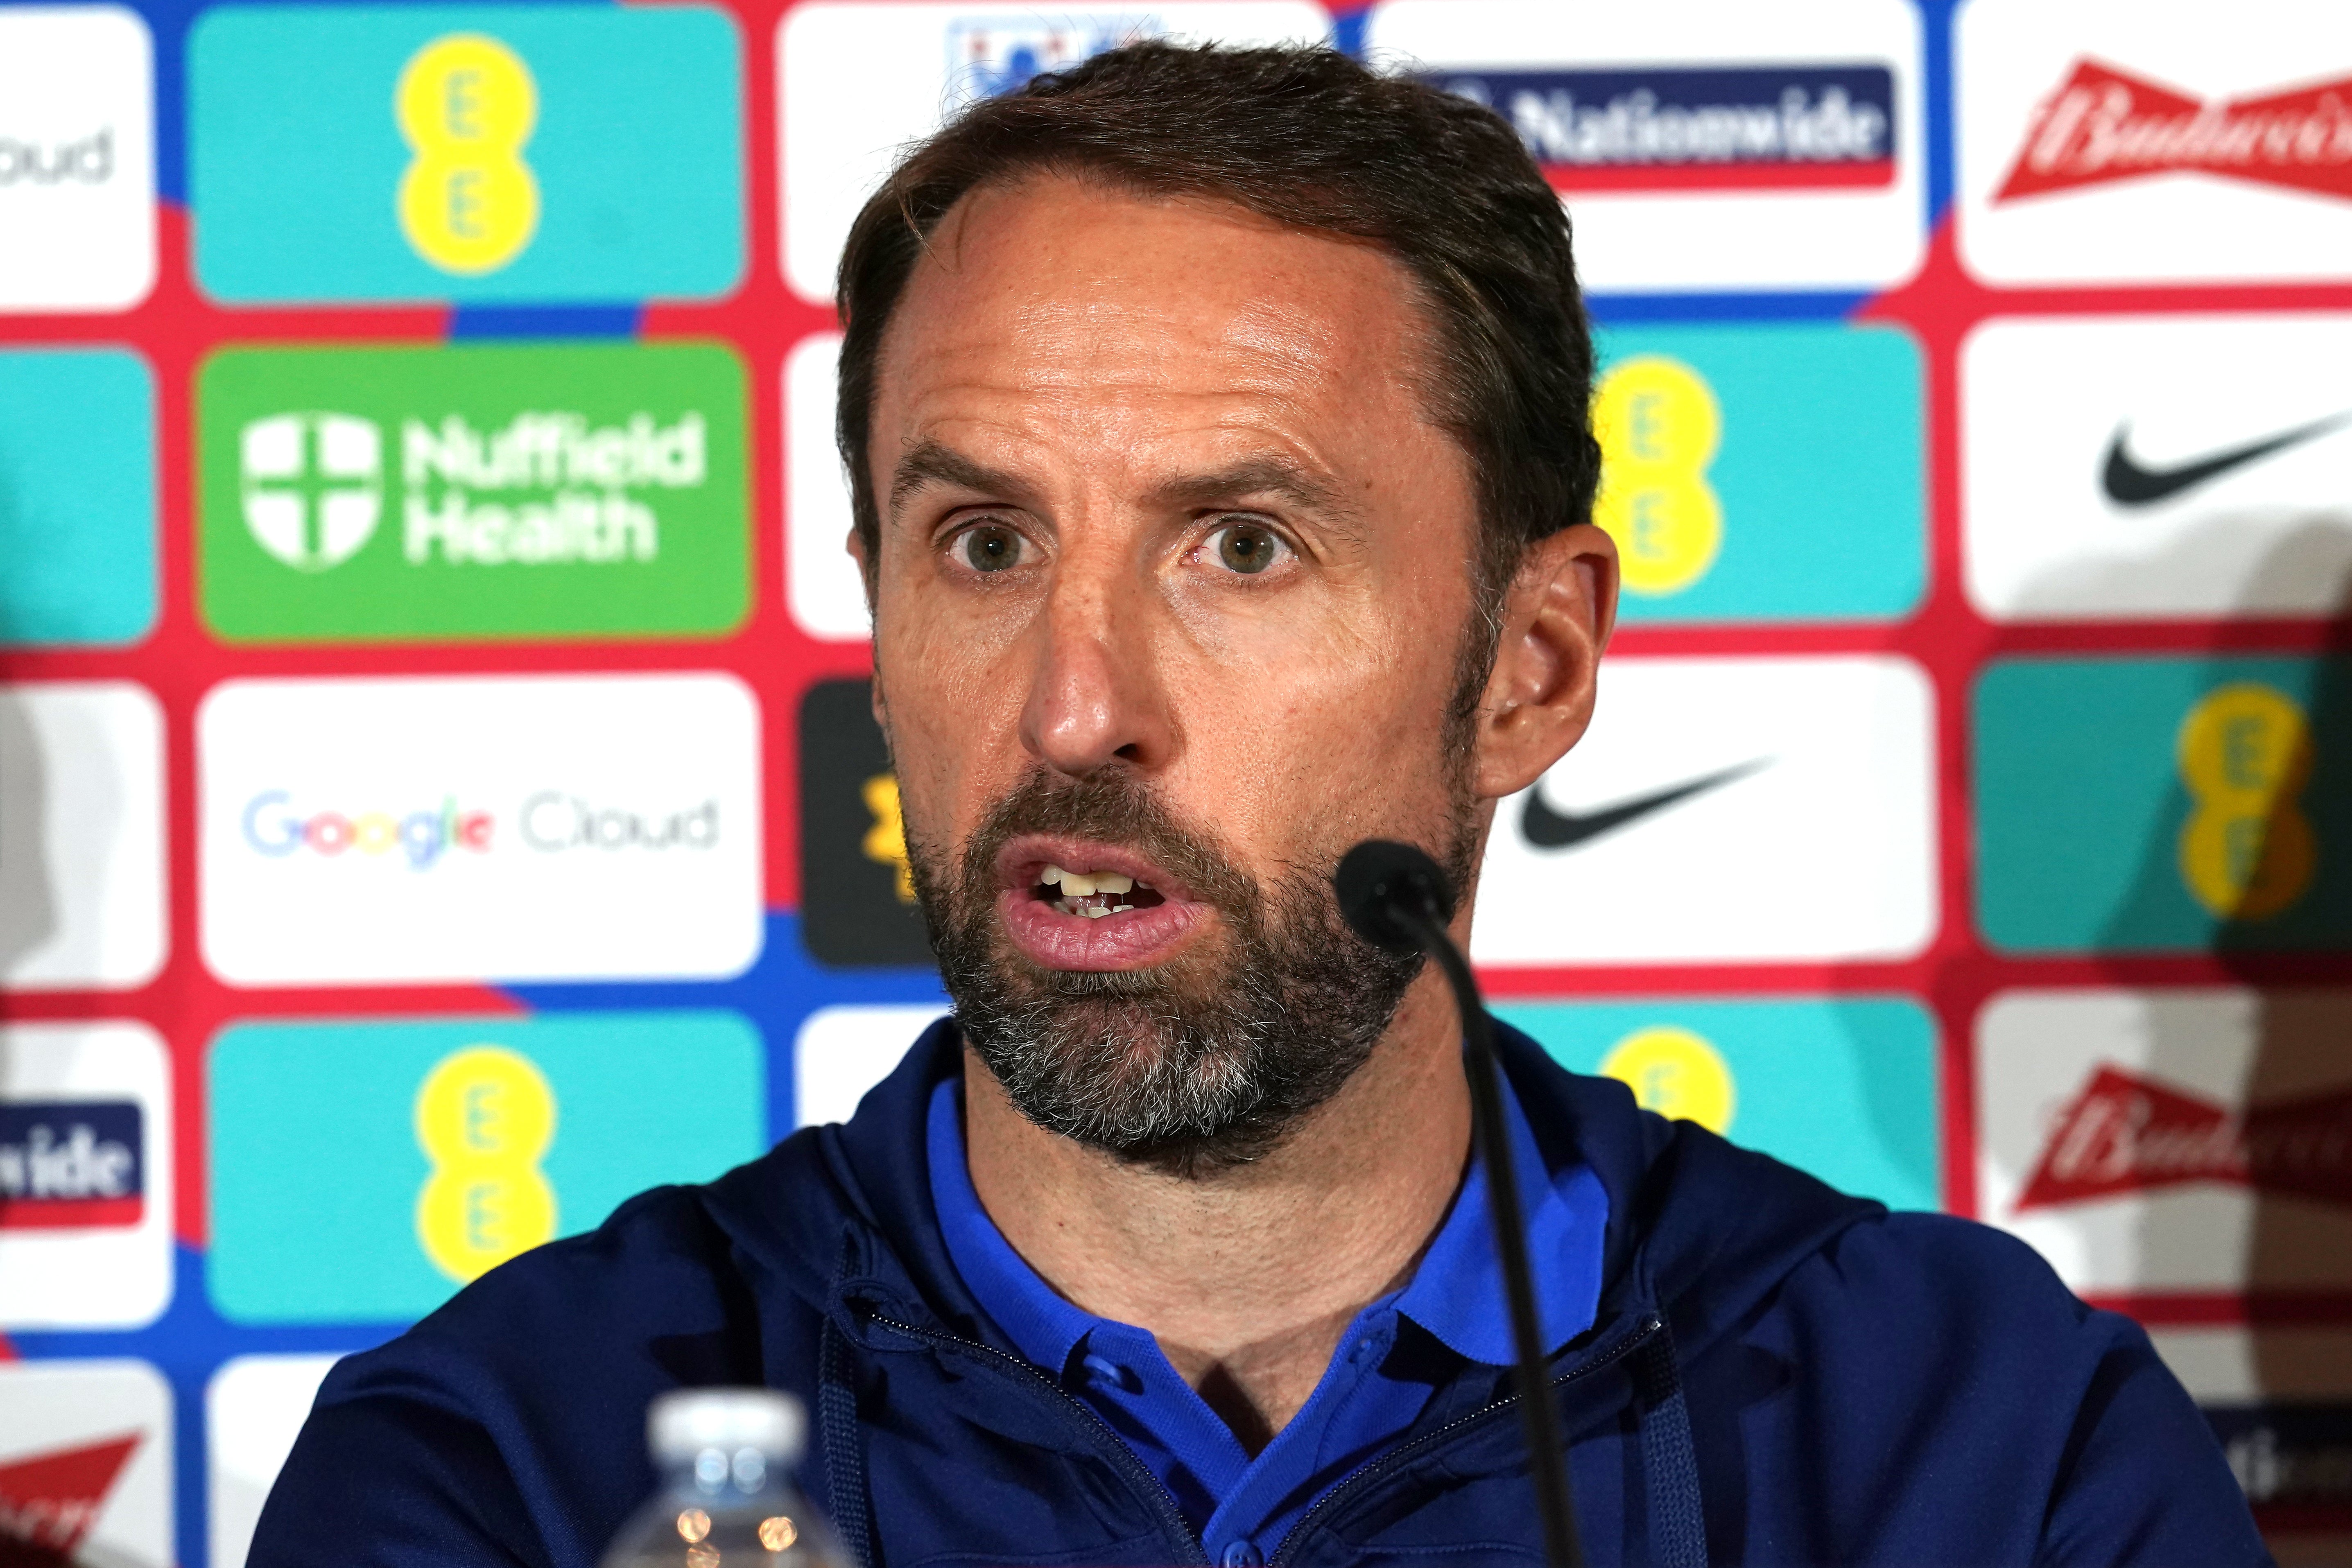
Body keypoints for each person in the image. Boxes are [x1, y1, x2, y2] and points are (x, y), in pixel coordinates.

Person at [253, 43, 2268, 1568]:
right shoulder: (514, 1461)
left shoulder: (1972, 1455)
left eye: (1239, 546)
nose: (1076, 706)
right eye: (979, 544)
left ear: (1529, 665)